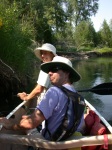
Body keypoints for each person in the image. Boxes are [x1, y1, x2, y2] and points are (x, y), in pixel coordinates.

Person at [0, 56, 84, 143]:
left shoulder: (54, 91)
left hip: (49, 142)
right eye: (49, 70)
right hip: (67, 140)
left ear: (67, 73)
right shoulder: (79, 97)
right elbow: (81, 126)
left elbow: (30, 124)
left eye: (54, 69)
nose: (50, 73)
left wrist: (10, 125)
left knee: (26, 127)